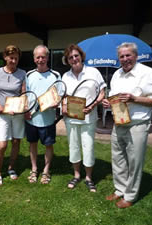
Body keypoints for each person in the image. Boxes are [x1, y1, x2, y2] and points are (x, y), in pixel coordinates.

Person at [102, 42, 152, 208]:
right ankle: (119, 189)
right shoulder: (116, 74)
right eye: (122, 56)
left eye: (128, 55)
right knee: (118, 158)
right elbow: (114, 97)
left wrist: (135, 98)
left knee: (135, 160)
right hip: (119, 121)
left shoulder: (147, 73)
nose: (125, 59)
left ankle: (130, 196)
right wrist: (108, 103)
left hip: (138, 123)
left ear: (135, 56)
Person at [61, 44, 106, 192]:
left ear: (81, 56)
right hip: (72, 118)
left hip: (88, 118)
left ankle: (88, 177)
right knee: (73, 147)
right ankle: (76, 175)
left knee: (88, 147)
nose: (74, 59)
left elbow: (102, 92)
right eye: (70, 57)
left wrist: (93, 105)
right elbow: (63, 96)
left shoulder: (93, 72)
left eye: (76, 56)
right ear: (67, 61)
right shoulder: (65, 76)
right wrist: (64, 106)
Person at [25, 45, 61, 184]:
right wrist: (26, 111)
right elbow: (25, 96)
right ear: (34, 59)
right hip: (31, 118)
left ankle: (46, 171)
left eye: (43, 57)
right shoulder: (28, 75)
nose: (40, 59)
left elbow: (59, 95)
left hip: (48, 119)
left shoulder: (56, 75)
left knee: (48, 145)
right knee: (32, 144)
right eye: (38, 57)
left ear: (47, 57)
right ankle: (34, 169)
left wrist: (56, 103)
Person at [0, 45, 26, 186]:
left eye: (16, 58)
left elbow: (23, 93)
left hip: (17, 114)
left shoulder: (22, 73)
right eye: (11, 58)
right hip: (2, 114)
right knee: (2, 145)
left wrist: (21, 106)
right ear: (5, 57)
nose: (13, 61)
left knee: (16, 142)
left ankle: (11, 168)